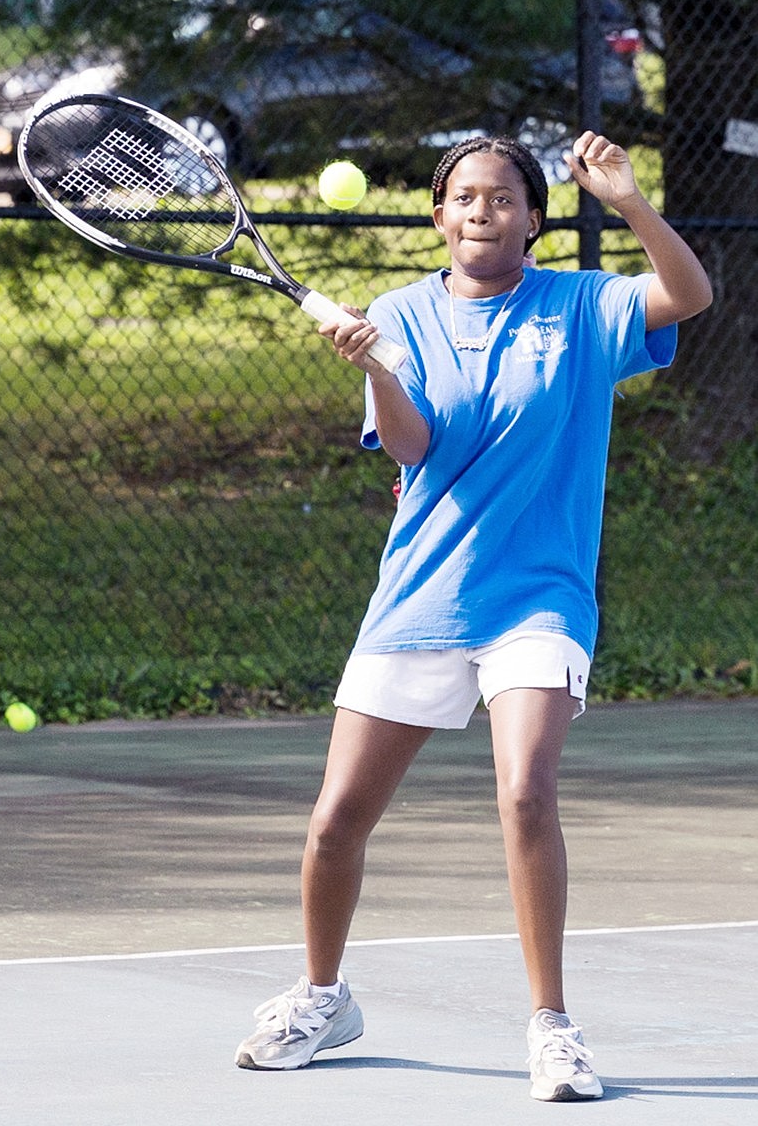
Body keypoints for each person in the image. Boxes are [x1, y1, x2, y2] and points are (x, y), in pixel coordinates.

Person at [234, 131, 712, 1101]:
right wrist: (374, 365)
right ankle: (324, 994)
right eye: (463, 198)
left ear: (531, 218)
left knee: (525, 791)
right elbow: (414, 447)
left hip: (537, 595)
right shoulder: (402, 314)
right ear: (438, 216)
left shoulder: (580, 305)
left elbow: (688, 296)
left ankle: (551, 1025)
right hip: (420, 598)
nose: (481, 212)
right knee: (334, 823)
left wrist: (628, 203)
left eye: (501, 198)